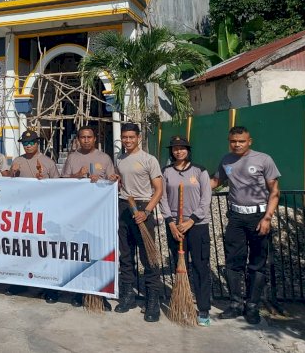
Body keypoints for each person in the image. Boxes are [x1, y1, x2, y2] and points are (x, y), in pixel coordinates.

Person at [211, 126, 281, 325]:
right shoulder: (226, 160)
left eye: (241, 141)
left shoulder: (263, 160)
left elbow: (274, 191)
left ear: (250, 141)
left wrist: (267, 217)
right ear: (229, 141)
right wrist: (190, 184)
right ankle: (235, 304)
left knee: (257, 264)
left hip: (258, 217)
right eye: (233, 141)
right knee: (233, 262)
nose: (237, 144)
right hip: (236, 218)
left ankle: (252, 307)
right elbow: (215, 181)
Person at [61, 125, 117, 309]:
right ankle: (80, 291)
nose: (86, 140)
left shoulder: (104, 158)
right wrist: (77, 176)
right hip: (79, 214)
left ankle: (101, 293)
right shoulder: (73, 157)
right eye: (82, 137)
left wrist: (105, 180)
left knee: (100, 251)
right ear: (78, 139)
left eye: (89, 137)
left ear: (95, 138)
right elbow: (62, 182)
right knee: (80, 252)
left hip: (100, 215)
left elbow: (112, 181)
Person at [159, 136, 212, 327]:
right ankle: (184, 302)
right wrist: (171, 223)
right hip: (175, 226)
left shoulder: (200, 170)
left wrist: (191, 220)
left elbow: (206, 199)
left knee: (200, 266)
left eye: (182, 148)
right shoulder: (165, 172)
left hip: (197, 225)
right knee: (180, 267)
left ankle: (204, 308)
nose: (178, 151)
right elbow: (162, 198)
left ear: (188, 150)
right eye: (175, 148)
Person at [114, 123, 163, 322]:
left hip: (143, 207)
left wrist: (147, 211)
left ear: (138, 138)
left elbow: (158, 190)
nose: (127, 141)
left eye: (131, 137)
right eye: (124, 137)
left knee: (148, 256)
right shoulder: (119, 158)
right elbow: (120, 181)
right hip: (124, 206)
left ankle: (153, 301)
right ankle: (128, 296)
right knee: (125, 255)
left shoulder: (149, 160)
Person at [9, 129, 59, 302]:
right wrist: (12, 173)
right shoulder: (17, 161)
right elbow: (9, 186)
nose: (28, 146)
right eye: (25, 143)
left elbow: (59, 186)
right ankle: (20, 282)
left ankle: (49, 287)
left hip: (43, 213)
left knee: (44, 250)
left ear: (38, 143)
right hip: (23, 213)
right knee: (21, 248)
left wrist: (43, 182)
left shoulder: (48, 162)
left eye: (31, 143)